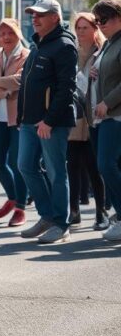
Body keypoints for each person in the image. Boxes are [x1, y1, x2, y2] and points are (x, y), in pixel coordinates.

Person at [16, 0, 78, 244]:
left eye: (40, 15)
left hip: (51, 123)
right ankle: (47, 216)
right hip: (30, 122)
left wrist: (49, 120)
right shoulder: (39, 44)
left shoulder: (64, 46)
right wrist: (22, 117)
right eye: (33, 14)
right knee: (25, 166)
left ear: (55, 17)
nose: (35, 18)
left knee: (56, 172)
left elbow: (66, 89)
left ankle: (61, 224)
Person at [0, 20, 30, 227]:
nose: (6, 37)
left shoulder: (27, 56)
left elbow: (20, 80)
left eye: (10, 32)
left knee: (17, 164)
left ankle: (20, 207)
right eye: (2, 33)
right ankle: (12, 196)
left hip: (18, 118)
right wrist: (6, 89)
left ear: (18, 33)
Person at [67, 12, 106, 228]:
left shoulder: (101, 53)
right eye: (78, 28)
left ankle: (100, 212)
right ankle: (74, 212)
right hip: (74, 118)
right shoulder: (71, 52)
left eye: (85, 27)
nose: (81, 32)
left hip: (93, 118)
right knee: (72, 166)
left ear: (95, 29)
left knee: (94, 168)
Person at [90, 0, 121, 241]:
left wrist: (107, 101)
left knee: (106, 164)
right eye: (97, 21)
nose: (100, 25)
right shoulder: (109, 44)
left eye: (104, 20)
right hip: (105, 116)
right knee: (108, 165)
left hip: (116, 115)